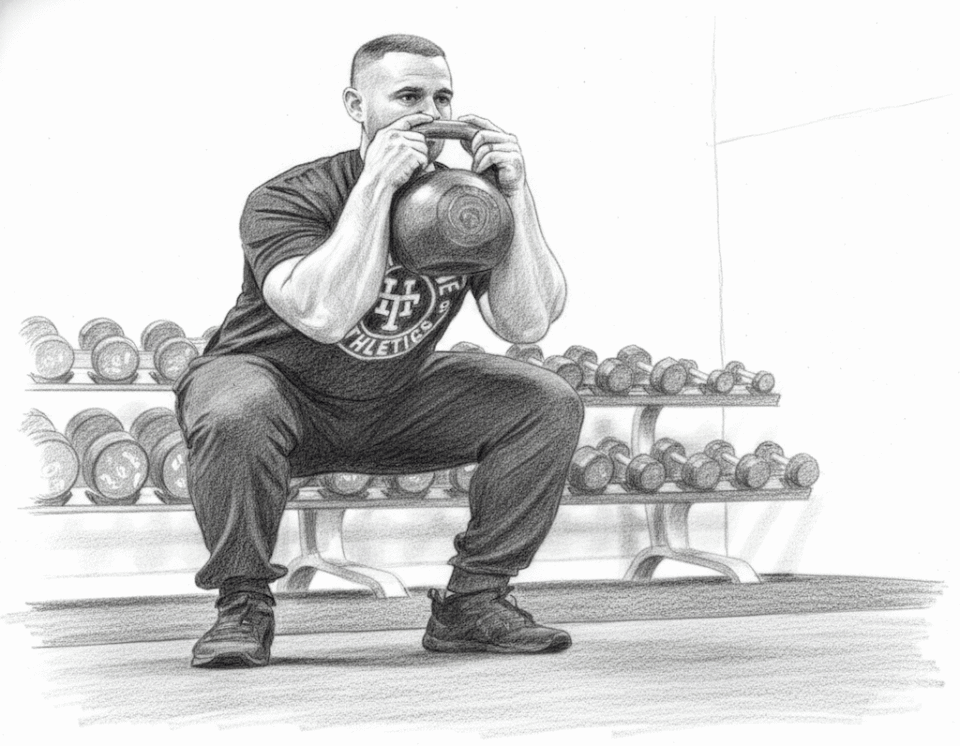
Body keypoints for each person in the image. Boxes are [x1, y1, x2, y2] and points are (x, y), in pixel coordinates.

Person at [174, 34, 583, 668]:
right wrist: (377, 186)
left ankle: (473, 604)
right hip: (277, 392)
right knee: (235, 405)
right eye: (407, 96)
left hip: (387, 398)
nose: (430, 111)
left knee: (544, 401)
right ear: (356, 105)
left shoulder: (463, 202)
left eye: (442, 95)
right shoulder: (290, 196)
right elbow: (323, 314)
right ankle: (242, 606)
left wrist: (515, 195)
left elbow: (525, 321)